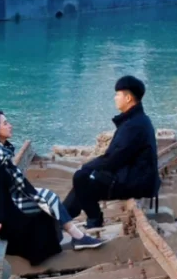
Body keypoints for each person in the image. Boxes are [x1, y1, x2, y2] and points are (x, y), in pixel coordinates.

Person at [0, 111, 104, 264]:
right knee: (46, 200)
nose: (10, 125)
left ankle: (77, 236)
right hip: (9, 218)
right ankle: (78, 237)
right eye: (5, 123)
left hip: (10, 205)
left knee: (47, 196)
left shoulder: (1, 153)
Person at [63, 74, 159, 230]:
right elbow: (115, 158)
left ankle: (92, 219)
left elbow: (113, 159)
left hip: (136, 183)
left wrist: (88, 167)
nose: (115, 98)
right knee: (84, 179)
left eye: (117, 94)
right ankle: (64, 215)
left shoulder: (133, 125)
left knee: (82, 177)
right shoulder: (136, 120)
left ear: (128, 98)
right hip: (134, 177)